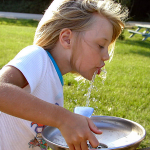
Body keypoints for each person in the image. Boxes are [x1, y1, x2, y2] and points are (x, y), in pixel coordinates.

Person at [0, 0, 128, 150]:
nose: (106, 56)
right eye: (101, 45)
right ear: (67, 38)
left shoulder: (54, 79)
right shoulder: (38, 56)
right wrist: (63, 118)